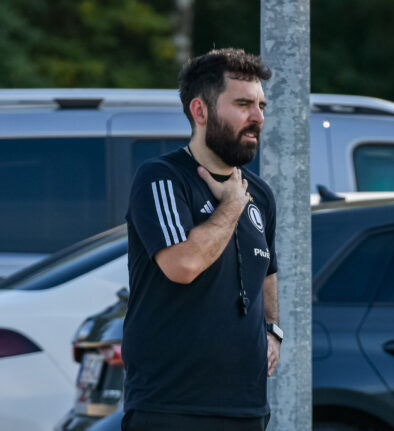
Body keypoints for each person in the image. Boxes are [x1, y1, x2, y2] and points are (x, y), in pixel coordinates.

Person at [122, 48, 282, 431]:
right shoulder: (161, 178)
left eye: (261, 105)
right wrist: (229, 208)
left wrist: (273, 330)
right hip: (171, 408)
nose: (257, 117)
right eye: (243, 104)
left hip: (246, 408)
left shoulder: (259, 194)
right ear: (200, 111)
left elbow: (268, 271)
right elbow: (184, 265)